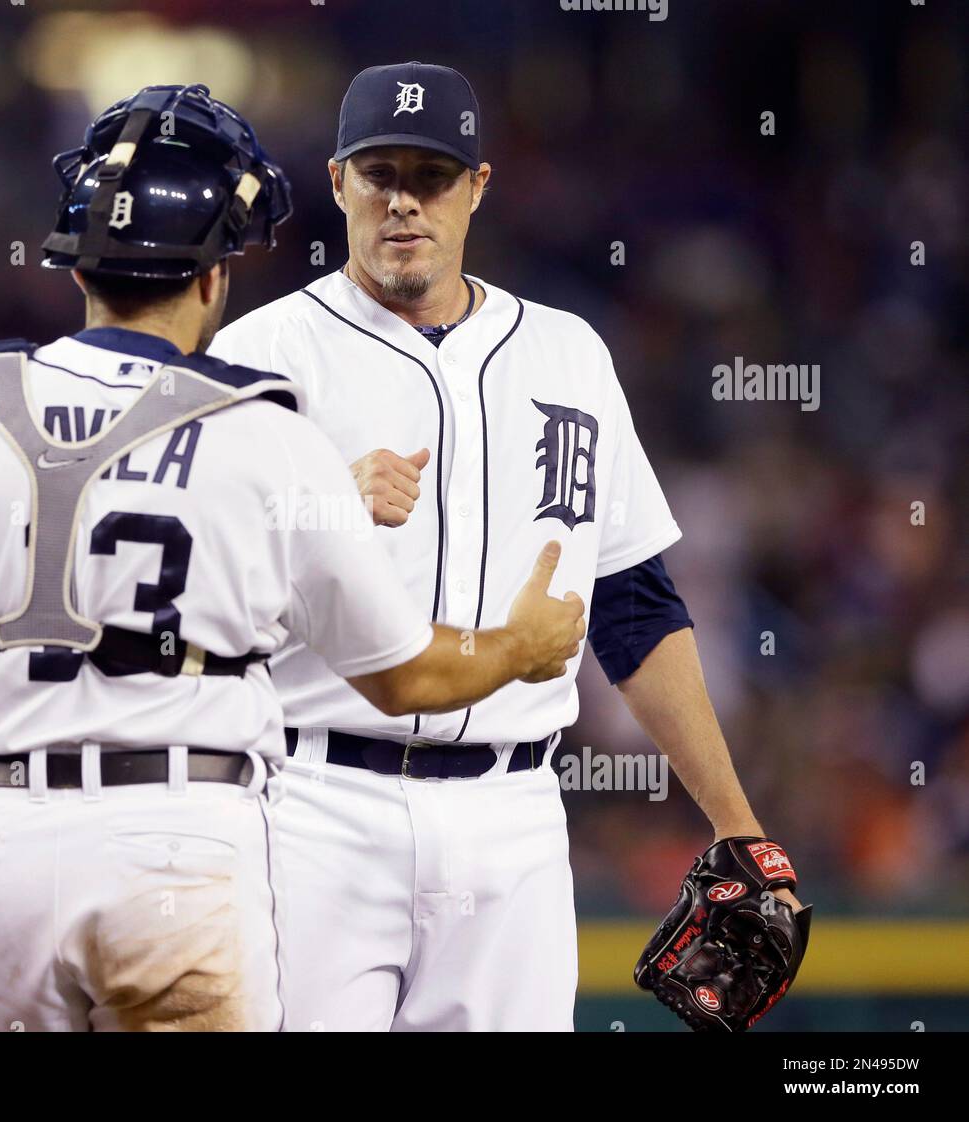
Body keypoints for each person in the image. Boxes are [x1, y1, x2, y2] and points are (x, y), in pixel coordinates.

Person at [0, 83, 585, 1032]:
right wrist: (518, 650)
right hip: (181, 845)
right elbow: (409, 677)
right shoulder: (264, 435)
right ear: (212, 276)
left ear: (76, 267)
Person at [209, 61, 804, 1031]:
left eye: (432, 176)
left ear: (478, 187)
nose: (404, 202)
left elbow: (631, 604)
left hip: (514, 813)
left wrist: (736, 822)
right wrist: (313, 512)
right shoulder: (262, 354)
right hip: (311, 804)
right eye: (379, 173)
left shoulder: (567, 352)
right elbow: (191, 595)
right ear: (335, 182)